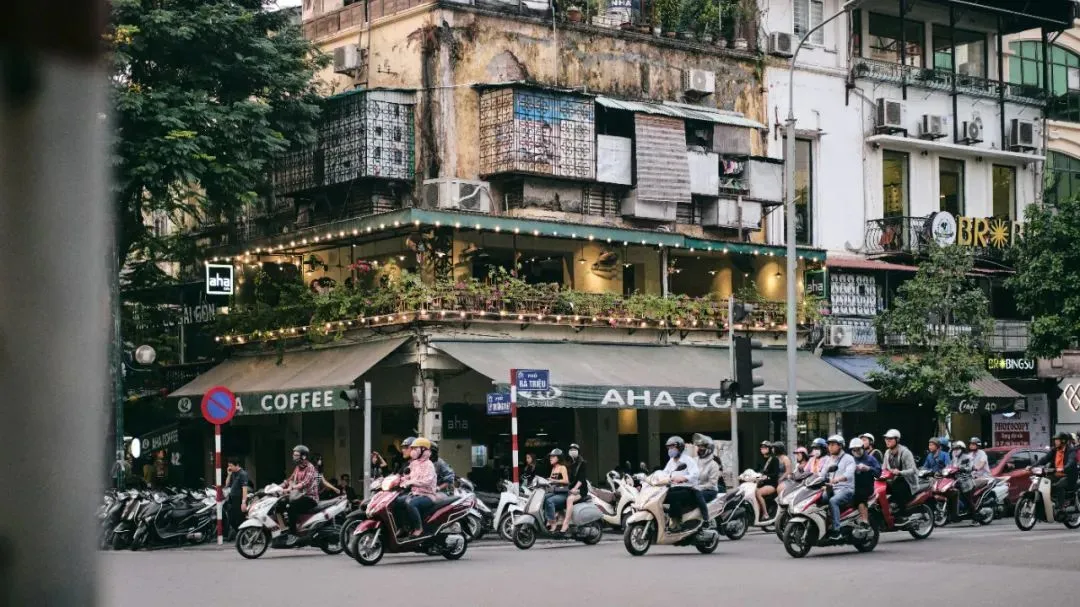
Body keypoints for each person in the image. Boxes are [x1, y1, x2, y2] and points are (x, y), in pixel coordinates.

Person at [399, 437, 438, 538]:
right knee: (396, 501)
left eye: (415, 449)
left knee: (411, 504)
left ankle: (418, 529)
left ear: (424, 450)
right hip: (415, 494)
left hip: (427, 495)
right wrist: (400, 479)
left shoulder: (429, 465)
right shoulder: (414, 463)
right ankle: (404, 527)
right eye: (412, 449)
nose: (413, 452)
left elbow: (427, 481)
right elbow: (407, 475)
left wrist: (411, 482)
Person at [661, 436, 701, 531]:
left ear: (680, 448)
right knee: (659, 497)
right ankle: (663, 520)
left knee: (674, 497)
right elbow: (664, 473)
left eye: (672, 447)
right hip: (674, 488)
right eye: (669, 448)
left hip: (688, 489)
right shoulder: (671, 462)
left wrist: (684, 478)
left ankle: (676, 522)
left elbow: (695, 474)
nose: (670, 450)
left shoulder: (688, 460)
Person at [819, 435, 855, 541]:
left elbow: (849, 474)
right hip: (831, 488)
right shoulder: (829, 459)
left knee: (833, 501)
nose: (830, 447)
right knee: (819, 500)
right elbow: (822, 474)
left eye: (833, 445)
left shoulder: (848, 458)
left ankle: (837, 530)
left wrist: (838, 479)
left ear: (840, 446)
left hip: (846, 489)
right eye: (829, 445)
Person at [280, 445, 319, 534]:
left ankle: (293, 533)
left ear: (303, 456)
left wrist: (292, 487)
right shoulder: (298, 468)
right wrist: (279, 486)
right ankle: (283, 528)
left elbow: (305, 483)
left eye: (296, 455)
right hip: (299, 496)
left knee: (291, 507)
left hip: (310, 498)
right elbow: (290, 479)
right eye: (294, 455)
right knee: (280, 503)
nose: (294, 457)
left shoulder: (310, 467)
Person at [881, 429, 917, 518]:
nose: (887, 441)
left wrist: (900, 472)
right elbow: (883, 468)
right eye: (886, 439)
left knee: (897, 488)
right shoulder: (887, 453)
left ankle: (903, 516)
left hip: (908, 482)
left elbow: (913, 470)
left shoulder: (905, 452)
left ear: (897, 440)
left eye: (890, 439)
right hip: (893, 480)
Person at [1034, 432, 1077, 503]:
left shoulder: (1071, 450)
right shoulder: (1054, 450)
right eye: (1055, 440)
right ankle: (1046, 502)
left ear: (1063, 441)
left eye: (1057, 440)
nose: (1055, 442)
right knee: (1043, 482)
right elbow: (1044, 459)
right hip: (1056, 474)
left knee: (1059, 485)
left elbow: (1071, 462)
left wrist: (1064, 468)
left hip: (1068, 476)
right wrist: (1033, 466)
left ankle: (1061, 507)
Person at [848, 438, 880, 526]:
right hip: (851, 485)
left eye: (858, 449)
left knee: (858, 496)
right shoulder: (850, 460)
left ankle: (864, 521)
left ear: (863, 448)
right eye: (854, 450)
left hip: (866, 487)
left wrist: (868, 468)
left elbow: (878, 472)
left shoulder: (870, 459)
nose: (856, 452)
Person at [559, 444, 590, 534]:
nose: (572, 451)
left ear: (578, 451)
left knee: (569, 499)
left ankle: (566, 523)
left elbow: (581, 479)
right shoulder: (569, 463)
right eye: (571, 449)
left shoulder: (582, 463)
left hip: (581, 490)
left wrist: (575, 489)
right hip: (570, 488)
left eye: (574, 449)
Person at [693, 435, 721, 528]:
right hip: (693, 488)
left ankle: (706, 519)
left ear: (709, 448)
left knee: (697, 495)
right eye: (699, 446)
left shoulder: (713, 464)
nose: (700, 449)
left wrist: (699, 487)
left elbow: (712, 483)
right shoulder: (694, 461)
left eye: (703, 447)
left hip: (709, 490)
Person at [542, 449, 569, 531]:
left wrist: (554, 480)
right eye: (550, 456)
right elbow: (551, 482)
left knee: (549, 501)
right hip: (554, 492)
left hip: (562, 493)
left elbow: (566, 481)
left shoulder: (562, 467)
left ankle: (553, 523)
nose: (551, 458)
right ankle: (546, 520)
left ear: (558, 458)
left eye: (553, 456)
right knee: (543, 498)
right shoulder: (553, 469)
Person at [224, 457, 250, 540]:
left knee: (239, 519)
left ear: (237, 465)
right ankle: (242, 536)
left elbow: (244, 489)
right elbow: (227, 484)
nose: (229, 467)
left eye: (231, 465)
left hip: (239, 499)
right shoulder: (233, 473)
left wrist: (243, 502)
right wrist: (229, 474)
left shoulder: (243, 474)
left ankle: (245, 537)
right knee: (231, 519)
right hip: (232, 499)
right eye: (229, 466)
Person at [755, 440, 780, 519]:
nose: (762, 449)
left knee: (758, 492)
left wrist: (767, 476)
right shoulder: (761, 459)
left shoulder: (774, 459)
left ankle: (765, 514)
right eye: (761, 448)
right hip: (762, 483)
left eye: (764, 448)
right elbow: (757, 470)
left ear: (769, 449)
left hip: (771, 484)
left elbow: (775, 473)